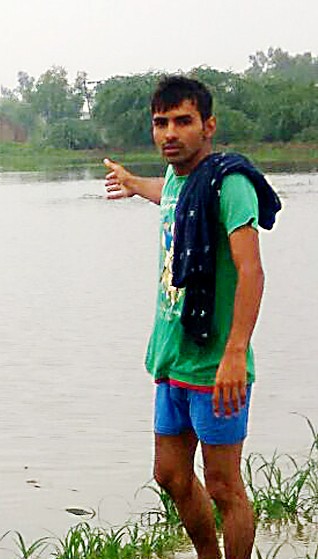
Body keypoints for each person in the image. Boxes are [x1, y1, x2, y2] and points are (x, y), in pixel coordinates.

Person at [103, 76, 281, 559]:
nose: (170, 133)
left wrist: (235, 354)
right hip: (172, 358)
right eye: (161, 123)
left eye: (183, 121)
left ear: (208, 126)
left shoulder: (230, 184)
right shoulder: (182, 181)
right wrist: (134, 183)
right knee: (170, 475)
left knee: (224, 487)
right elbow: (171, 198)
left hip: (216, 364)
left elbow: (252, 272)